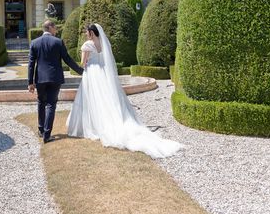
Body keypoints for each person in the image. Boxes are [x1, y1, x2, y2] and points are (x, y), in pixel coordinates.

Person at [67, 23, 182, 158]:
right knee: (103, 98)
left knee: (90, 99)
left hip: (92, 73)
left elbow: (83, 62)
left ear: (91, 33)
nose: (86, 34)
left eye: (87, 32)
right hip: (102, 74)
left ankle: (92, 125)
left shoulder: (87, 45)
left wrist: (84, 62)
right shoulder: (103, 43)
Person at [29, 20, 84, 143]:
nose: (57, 30)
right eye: (55, 28)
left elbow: (31, 64)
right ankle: (47, 135)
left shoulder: (34, 43)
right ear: (50, 27)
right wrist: (82, 72)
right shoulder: (58, 42)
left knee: (41, 102)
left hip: (40, 79)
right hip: (54, 78)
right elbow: (68, 60)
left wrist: (30, 82)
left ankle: (41, 130)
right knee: (51, 104)